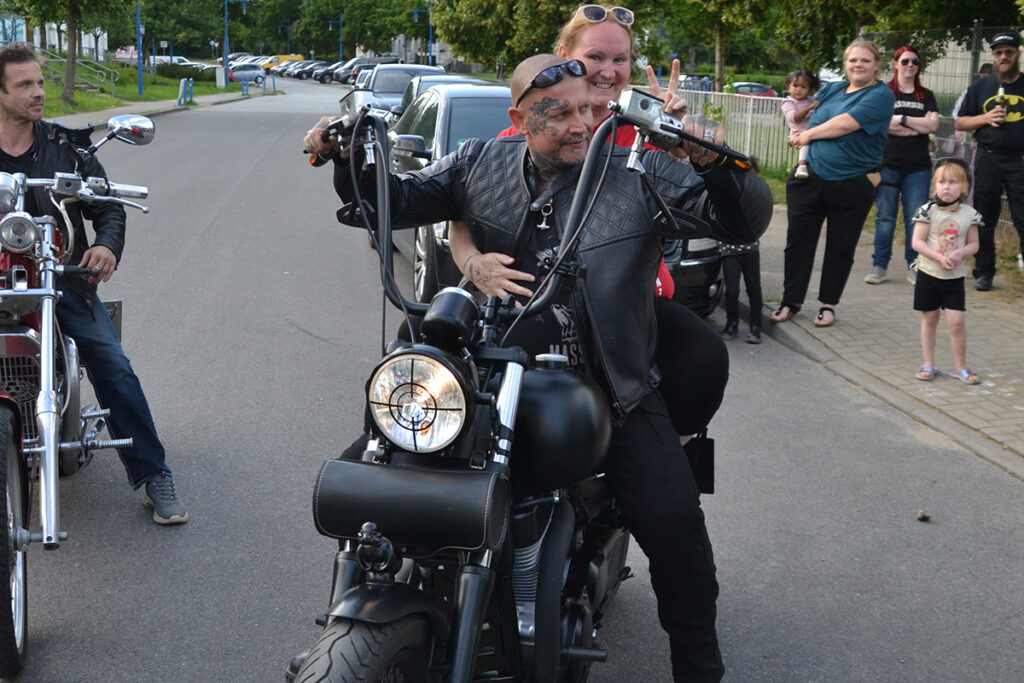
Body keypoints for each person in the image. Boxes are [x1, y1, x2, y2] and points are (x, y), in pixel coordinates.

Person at [308, 52, 772, 682]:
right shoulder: (481, 161)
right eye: (561, 113)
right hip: (488, 373)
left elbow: (741, 219)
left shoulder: (640, 171)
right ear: (520, 119)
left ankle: (699, 665)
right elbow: (391, 200)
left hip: (608, 384)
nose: (582, 123)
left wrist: (714, 162)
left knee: (674, 522)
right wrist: (346, 154)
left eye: (591, 108)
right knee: (373, 464)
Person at [448, 3, 725, 437]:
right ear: (565, 57)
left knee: (700, 357)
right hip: (543, 305)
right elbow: (461, 218)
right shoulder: (525, 135)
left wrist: (684, 146)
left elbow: (699, 207)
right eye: (596, 57)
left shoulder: (647, 133)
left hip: (630, 310)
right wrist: (473, 265)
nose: (609, 72)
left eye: (621, 60)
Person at [0, 43, 187, 524]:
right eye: (25, 84)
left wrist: (105, 244)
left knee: (113, 366)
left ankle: (152, 475)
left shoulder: (66, 146)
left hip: (60, 277)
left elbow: (107, 205)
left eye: (40, 82)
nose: (38, 92)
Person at [770, 39, 894, 328]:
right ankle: (791, 301)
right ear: (846, 64)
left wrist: (809, 136)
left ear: (876, 65)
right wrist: (802, 130)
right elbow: (809, 116)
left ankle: (828, 304)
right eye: (853, 60)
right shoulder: (834, 89)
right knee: (797, 242)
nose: (858, 65)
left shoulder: (880, 95)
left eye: (865, 60)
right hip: (809, 177)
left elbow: (846, 123)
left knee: (840, 246)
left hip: (853, 182)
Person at [864, 46, 939, 286]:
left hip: (918, 167)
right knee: (885, 217)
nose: (910, 65)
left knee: (915, 218)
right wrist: (918, 125)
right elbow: (878, 124)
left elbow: (933, 127)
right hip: (887, 164)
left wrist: (902, 120)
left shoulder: (926, 95)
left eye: (915, 61)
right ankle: (879, 265)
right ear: (895, 64)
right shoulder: (884, 92)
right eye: (905, 61)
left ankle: (914, 264)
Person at [955, 32, 1024, 290]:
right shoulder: (981, 87)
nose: (1003, 57)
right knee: (984, 219)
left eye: (1008, 51)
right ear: (993, 56)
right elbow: (961, 121)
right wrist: (985, 118)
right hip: (988, 159)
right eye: (998, 52)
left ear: (1017, 53)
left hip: (1020, 161)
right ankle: (984, 273)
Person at [910, 158, 982, 384]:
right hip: (928, 273)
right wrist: (939, 256)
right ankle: (928, 363)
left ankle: (960, 367)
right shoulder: (927, 211)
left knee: (957, 321)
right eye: (941, 182)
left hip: (955, 277)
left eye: (952, 182)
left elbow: (974, 244)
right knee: (930, 317)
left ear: (964, 187)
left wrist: (959, 254)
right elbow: (917, 242)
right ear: (934, 186)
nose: (946, 187)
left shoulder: (969, 214)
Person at [720, 238, 763, 343]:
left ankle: (756, 325)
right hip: (729, 250)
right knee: (731, 290)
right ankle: (732, 323)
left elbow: (760, 222)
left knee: (754, 288)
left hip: (750, 248)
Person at [780, 69, 820, 179]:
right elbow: (794, 118)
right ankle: (802, 166)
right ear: (789, 87)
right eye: (795, 85)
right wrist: (809, 108)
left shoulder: (812, 100)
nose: (798, 90)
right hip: (798, 133)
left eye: (803, 87)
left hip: (812, 131)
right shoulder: (788, 103)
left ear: (810, 90)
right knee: (805, 143)